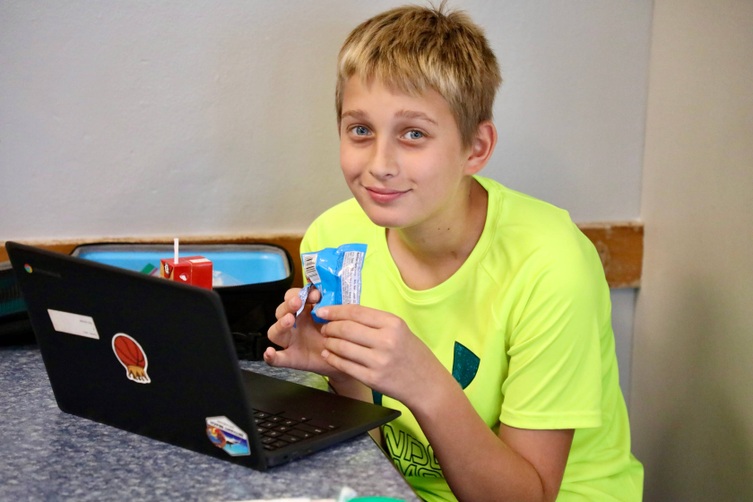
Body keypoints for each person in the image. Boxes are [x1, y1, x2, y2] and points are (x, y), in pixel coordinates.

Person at [264, 3, 644, 501]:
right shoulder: (333, 238)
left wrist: (425, 383)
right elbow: (377, 467)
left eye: (413, 134)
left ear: (476, 148)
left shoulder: (551, 263)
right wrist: (340, 376)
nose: (380, 164)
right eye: (361, 130)